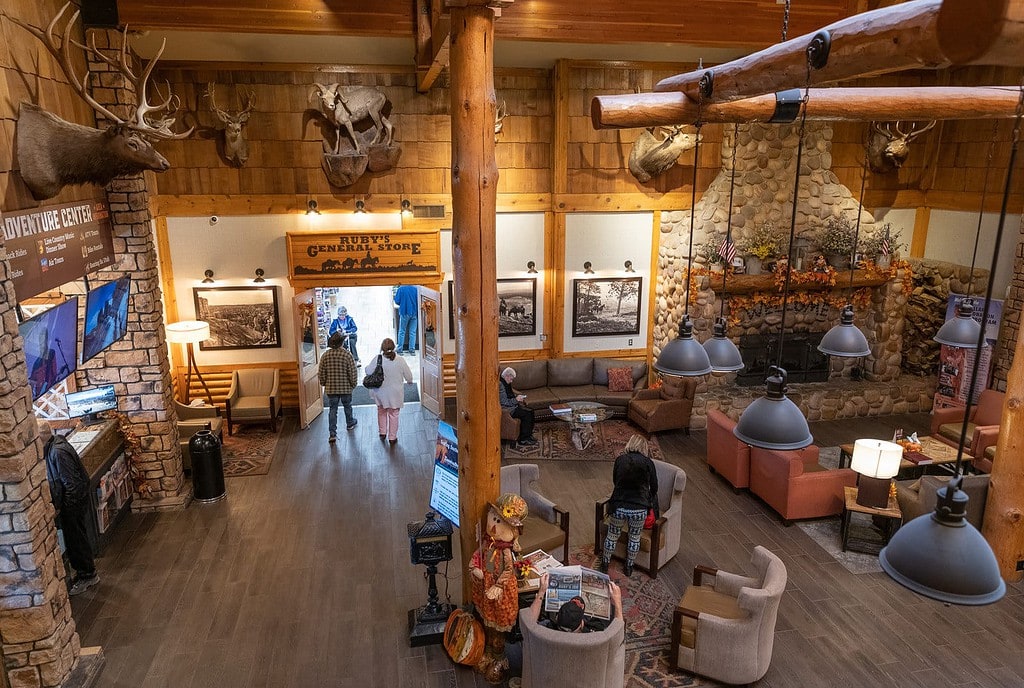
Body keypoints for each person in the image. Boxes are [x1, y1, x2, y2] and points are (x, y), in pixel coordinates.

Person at [39, 423, 99, 595]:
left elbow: (71, 484)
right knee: (77, 539)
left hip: (72, 505)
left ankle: (87, 575)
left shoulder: (57, 452)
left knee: (76, 541)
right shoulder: (56, 447)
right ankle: (85, 572)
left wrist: (66, 508)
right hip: (71, 504)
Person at [597, 434, 659, 577]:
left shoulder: (620, 460)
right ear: (644, 447)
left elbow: (615, 481)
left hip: (619, 505)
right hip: (639, 507)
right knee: (634, 537)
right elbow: (654, 487)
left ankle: (605, 563)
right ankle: (629, 566)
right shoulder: (648, 463)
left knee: (612, 535)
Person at [528, 572, 622, 632]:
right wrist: (617, 602)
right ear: (581, 624)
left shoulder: (544, 633)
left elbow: (529, 624)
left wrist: (541, 592)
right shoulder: (594, 638)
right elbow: (618, 635)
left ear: (557, 617)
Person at [364, 338, 413, 445]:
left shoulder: (378, 359)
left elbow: (368, 371)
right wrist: (410, 381)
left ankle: (382, 432)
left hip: (380, 392)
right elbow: (409, 376)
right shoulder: (400, 360)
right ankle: (392, 437)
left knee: (381, 411)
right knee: (394, 414)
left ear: (382, 348)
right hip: (395, 394)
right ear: (394, 348)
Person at [318, 332, 359, 443]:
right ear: (342, 342)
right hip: (345, 387)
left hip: (331, 388)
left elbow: (321, 372)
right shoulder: (347, 355)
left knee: (333, 410)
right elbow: (352, 372)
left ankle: (332, 433)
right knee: (347, 406)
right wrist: (353, 384)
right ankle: (350, 423)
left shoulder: (325, 356)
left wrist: (323, 383)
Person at [499, 367, 536, 447]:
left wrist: (517, 397)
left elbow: (510, 394)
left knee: (531, 411)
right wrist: (516, 400)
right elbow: (504, 402)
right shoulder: (501, 385)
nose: (511, 381)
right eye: (511, 379)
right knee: (527, 414)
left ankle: (528, 435)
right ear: (507, 376)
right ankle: (523, 439)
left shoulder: (506, 382)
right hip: (508, 409)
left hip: (512, 405)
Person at [394, 284, 419, 354]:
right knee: (413, 332)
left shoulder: (401, 289)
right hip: (414, 312)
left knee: (402, 331)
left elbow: (397, 301)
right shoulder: (415, 289)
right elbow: (418, 301)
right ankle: (412, 350)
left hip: (404, 312)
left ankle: (400, 350)